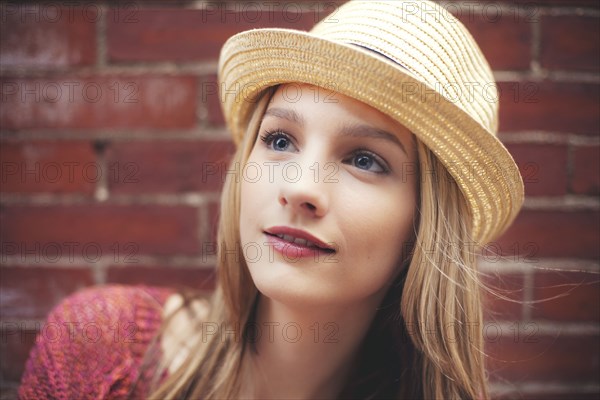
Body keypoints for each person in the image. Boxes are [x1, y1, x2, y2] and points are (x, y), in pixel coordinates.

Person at [19, 1, 524, 399]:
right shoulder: (99, 349)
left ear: (425, 224)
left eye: (365, 160)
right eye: (280, 140)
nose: (301, 187)